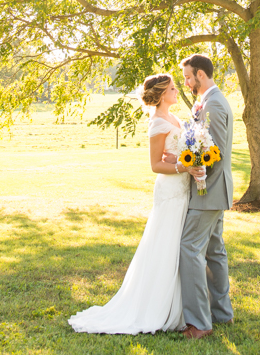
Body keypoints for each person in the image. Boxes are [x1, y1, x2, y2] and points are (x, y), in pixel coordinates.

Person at [67, 73, 203, 335]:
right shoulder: (157, 123)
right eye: (174, 88)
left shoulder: (173, 117)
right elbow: (155, 165)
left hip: (183, 187)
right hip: (170, 191)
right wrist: (183, 166)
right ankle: (157, 307)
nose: (177, 91)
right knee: (165, 243)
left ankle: (184, 306)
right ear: (163, 94)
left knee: (179, 245)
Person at [176, 54, 234, 340]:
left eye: (188, 77)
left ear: (200, 74)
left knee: (189, 248)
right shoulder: (207, 101)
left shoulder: (213, 103)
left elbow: (216, 151)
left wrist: (196, 171)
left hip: (208, 190)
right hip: (210, 191)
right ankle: (222, 314)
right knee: (214, 252)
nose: (186, 83)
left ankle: (199, 323)